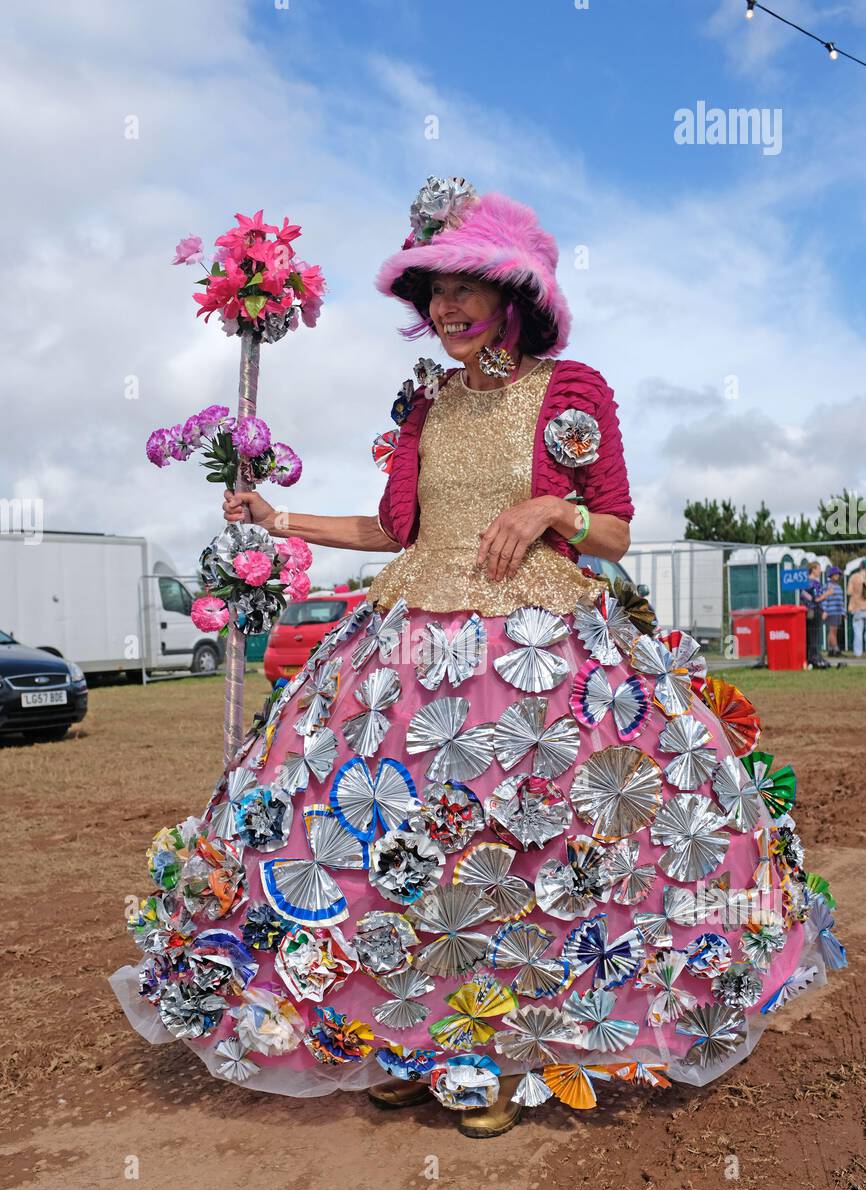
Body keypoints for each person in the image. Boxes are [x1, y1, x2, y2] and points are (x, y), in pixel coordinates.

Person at [111, 178, 842, 1137]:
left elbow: (615, 529)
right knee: (401, 852)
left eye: (464, 286)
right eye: (431, 293)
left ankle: (504, 1048)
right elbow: (391, 529)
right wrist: (274, 516)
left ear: (514, 295)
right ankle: (417, 1039)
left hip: (541, 656)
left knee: (536, 849)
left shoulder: (572, 392)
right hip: (404, 659)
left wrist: (551, 510)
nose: (446, 308)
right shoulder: (426, 405)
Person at [800, 562, 831, 669]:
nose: (820, 571)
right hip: (815, 610)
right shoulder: (815, 583)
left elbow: (804, 597)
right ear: (813, 569)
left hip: (806, 611)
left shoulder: (804, 583)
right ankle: (814, 658)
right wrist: (827, 594)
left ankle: (808, 658)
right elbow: (817, 599)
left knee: (808, 635)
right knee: (815, 635)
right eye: (818, 569)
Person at [821, 567, 845, 657]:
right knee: (832, 631)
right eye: (835, 575)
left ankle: (830, 650)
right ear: (831, 576)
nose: (837, 576)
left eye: (838, 575)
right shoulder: (827, 586)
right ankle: (836, 650)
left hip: (838, 612)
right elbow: (825, 599)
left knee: (833, 632)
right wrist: (825, 610)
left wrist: (843, 612)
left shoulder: (839, 587)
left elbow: (841, 601)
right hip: (831, 612)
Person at [847, 559, 866, 658]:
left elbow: (849, 592)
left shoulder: (854, 577)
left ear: (860, 566)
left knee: (858, 632)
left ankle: (858, 653)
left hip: (857, 608)